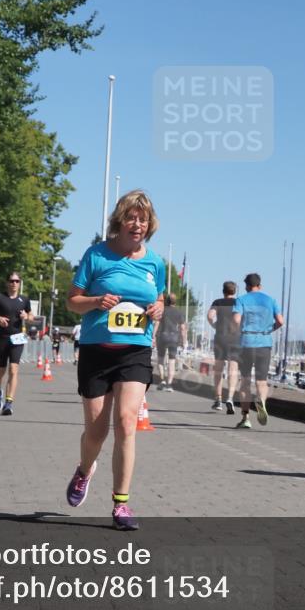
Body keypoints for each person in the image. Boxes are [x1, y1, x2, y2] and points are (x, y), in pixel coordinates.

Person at [65, 190, 166, 531]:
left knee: (126, 422)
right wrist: (95, 301)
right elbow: (72, 302)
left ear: (150, 225)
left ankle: (121, 505)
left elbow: (160, 297)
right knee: (96, 433)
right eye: (132, 217)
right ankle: (84, 470)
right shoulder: (96, 255)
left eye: (144, 219)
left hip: (134, 351)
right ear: (120, 220)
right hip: (96, 349)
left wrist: (159, 308)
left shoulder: (155, 262)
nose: (137, 224)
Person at [233, 273, 283, 429]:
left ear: (247, 286)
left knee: (245, 381)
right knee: (261, 380)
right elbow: (280, 321)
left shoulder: (241, 300)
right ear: (260, 285)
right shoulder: (271, 300)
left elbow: (236, 320)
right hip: (264, 343)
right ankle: (261, 401)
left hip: (246, 342)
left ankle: (246, 417)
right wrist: (269, 329)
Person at [0, 272, 34, 416]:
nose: (14, 283)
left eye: (17, 281)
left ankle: (9, 402)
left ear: (20, 283)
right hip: (2, 338)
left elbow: (31, 316)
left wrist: (26, 316)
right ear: (7, 282)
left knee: (13, 369)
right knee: (1, 370)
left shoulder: (24, 299)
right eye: (11, 281)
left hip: (17, 338)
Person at [207, 281, 240, 413]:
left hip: (220, 337)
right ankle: (230, 397)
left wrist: (214, 325)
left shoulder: (218, 302)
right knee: (233, 368)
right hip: (235, 338)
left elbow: (210, 316)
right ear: (235, 291)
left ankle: (218, 399)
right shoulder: (239, 302)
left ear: (223, 291)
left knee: (219, 369)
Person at [154, 293, 186, 391]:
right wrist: (184, 341)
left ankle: (162, 380)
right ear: (175, 301)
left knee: (160, 359)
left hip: (162, 337)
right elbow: (183, 328)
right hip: (174, 338)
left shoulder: (163, 310)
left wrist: (153, 336)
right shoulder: (179, 312)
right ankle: (169, 385)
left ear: (166, 301)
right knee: (172, 362)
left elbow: (157, 322)